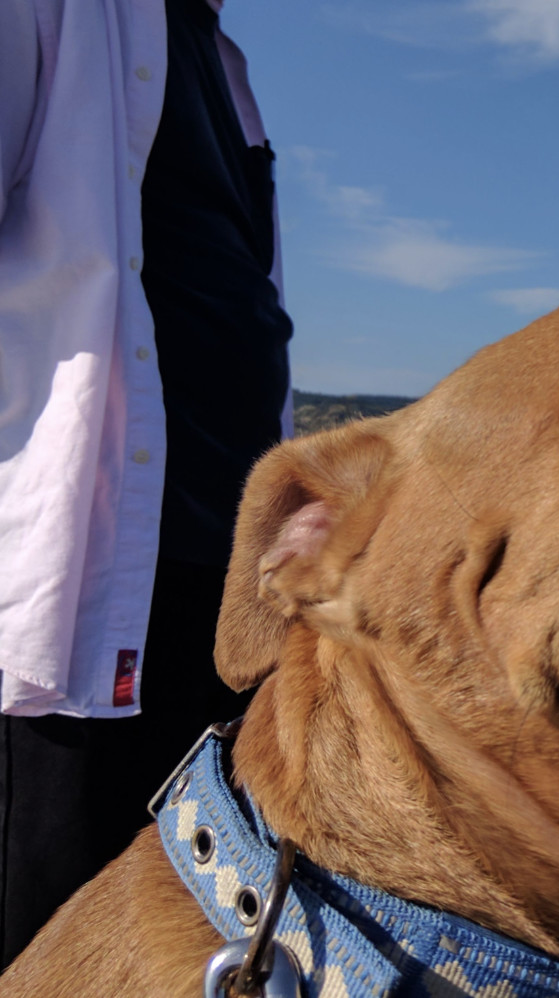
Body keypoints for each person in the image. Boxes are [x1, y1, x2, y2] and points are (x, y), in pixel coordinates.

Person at [0, 0, 293, 964]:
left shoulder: (224, 64)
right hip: (85, 585)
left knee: (172, 934)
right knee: (48, 933)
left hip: (221, 595)